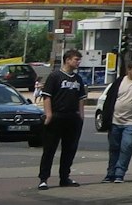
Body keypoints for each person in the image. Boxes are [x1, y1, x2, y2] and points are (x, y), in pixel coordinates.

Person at [37, 49, 86, 188]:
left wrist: (81, 115)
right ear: (68, 60)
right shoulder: (55, 76)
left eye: (79, 59)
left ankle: (65, 177)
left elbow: (81, 98)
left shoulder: (78, 79)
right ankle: (43, 179)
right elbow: (47, 96)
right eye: (76, 59)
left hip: (72, 118)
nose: (78, 62)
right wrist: (49, 114)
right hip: (57, 116)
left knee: (69, 149)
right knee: (49, 149)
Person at [100, 58, 132, 184]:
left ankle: (120, 173)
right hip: (115, 121)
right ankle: (110, 174)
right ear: (128, 70)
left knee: (127, 146)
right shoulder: (119, 82)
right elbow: (109, 100)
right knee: (114, 148)